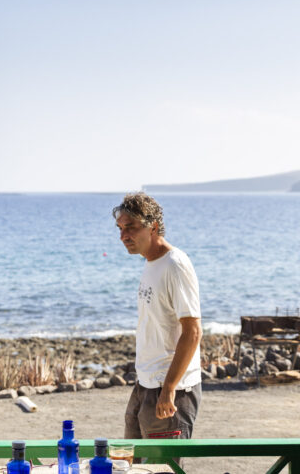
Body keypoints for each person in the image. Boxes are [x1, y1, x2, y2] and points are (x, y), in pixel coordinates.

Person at [113, 192, 202, 464]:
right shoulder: (151, 263)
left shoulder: (175, 264)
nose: (123, 236)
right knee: (129, 466)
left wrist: (169, 389)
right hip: (146, 384)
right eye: (120, 228)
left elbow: (193, 331)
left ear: (152, 226)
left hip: (170, 391)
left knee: (162, 469)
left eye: (131, 227)